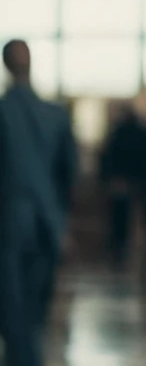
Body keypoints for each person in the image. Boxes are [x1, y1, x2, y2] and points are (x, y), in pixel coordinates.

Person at [0, 39, 77, 366]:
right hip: (48, 225)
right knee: (34, 311)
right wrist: (59, 219)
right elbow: (69, 174)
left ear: (6, 65)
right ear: (29, 63)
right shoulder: (55, 116)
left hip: (7, 225)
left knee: (12, 309)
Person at [98, 103, 146, 267]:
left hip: (128, 179)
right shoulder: (139, 132)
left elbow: (108, 156)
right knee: (128, 216)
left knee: (124, 216)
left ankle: (123, 248)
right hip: (134, 179)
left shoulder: (120, 132)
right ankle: (145, 247)